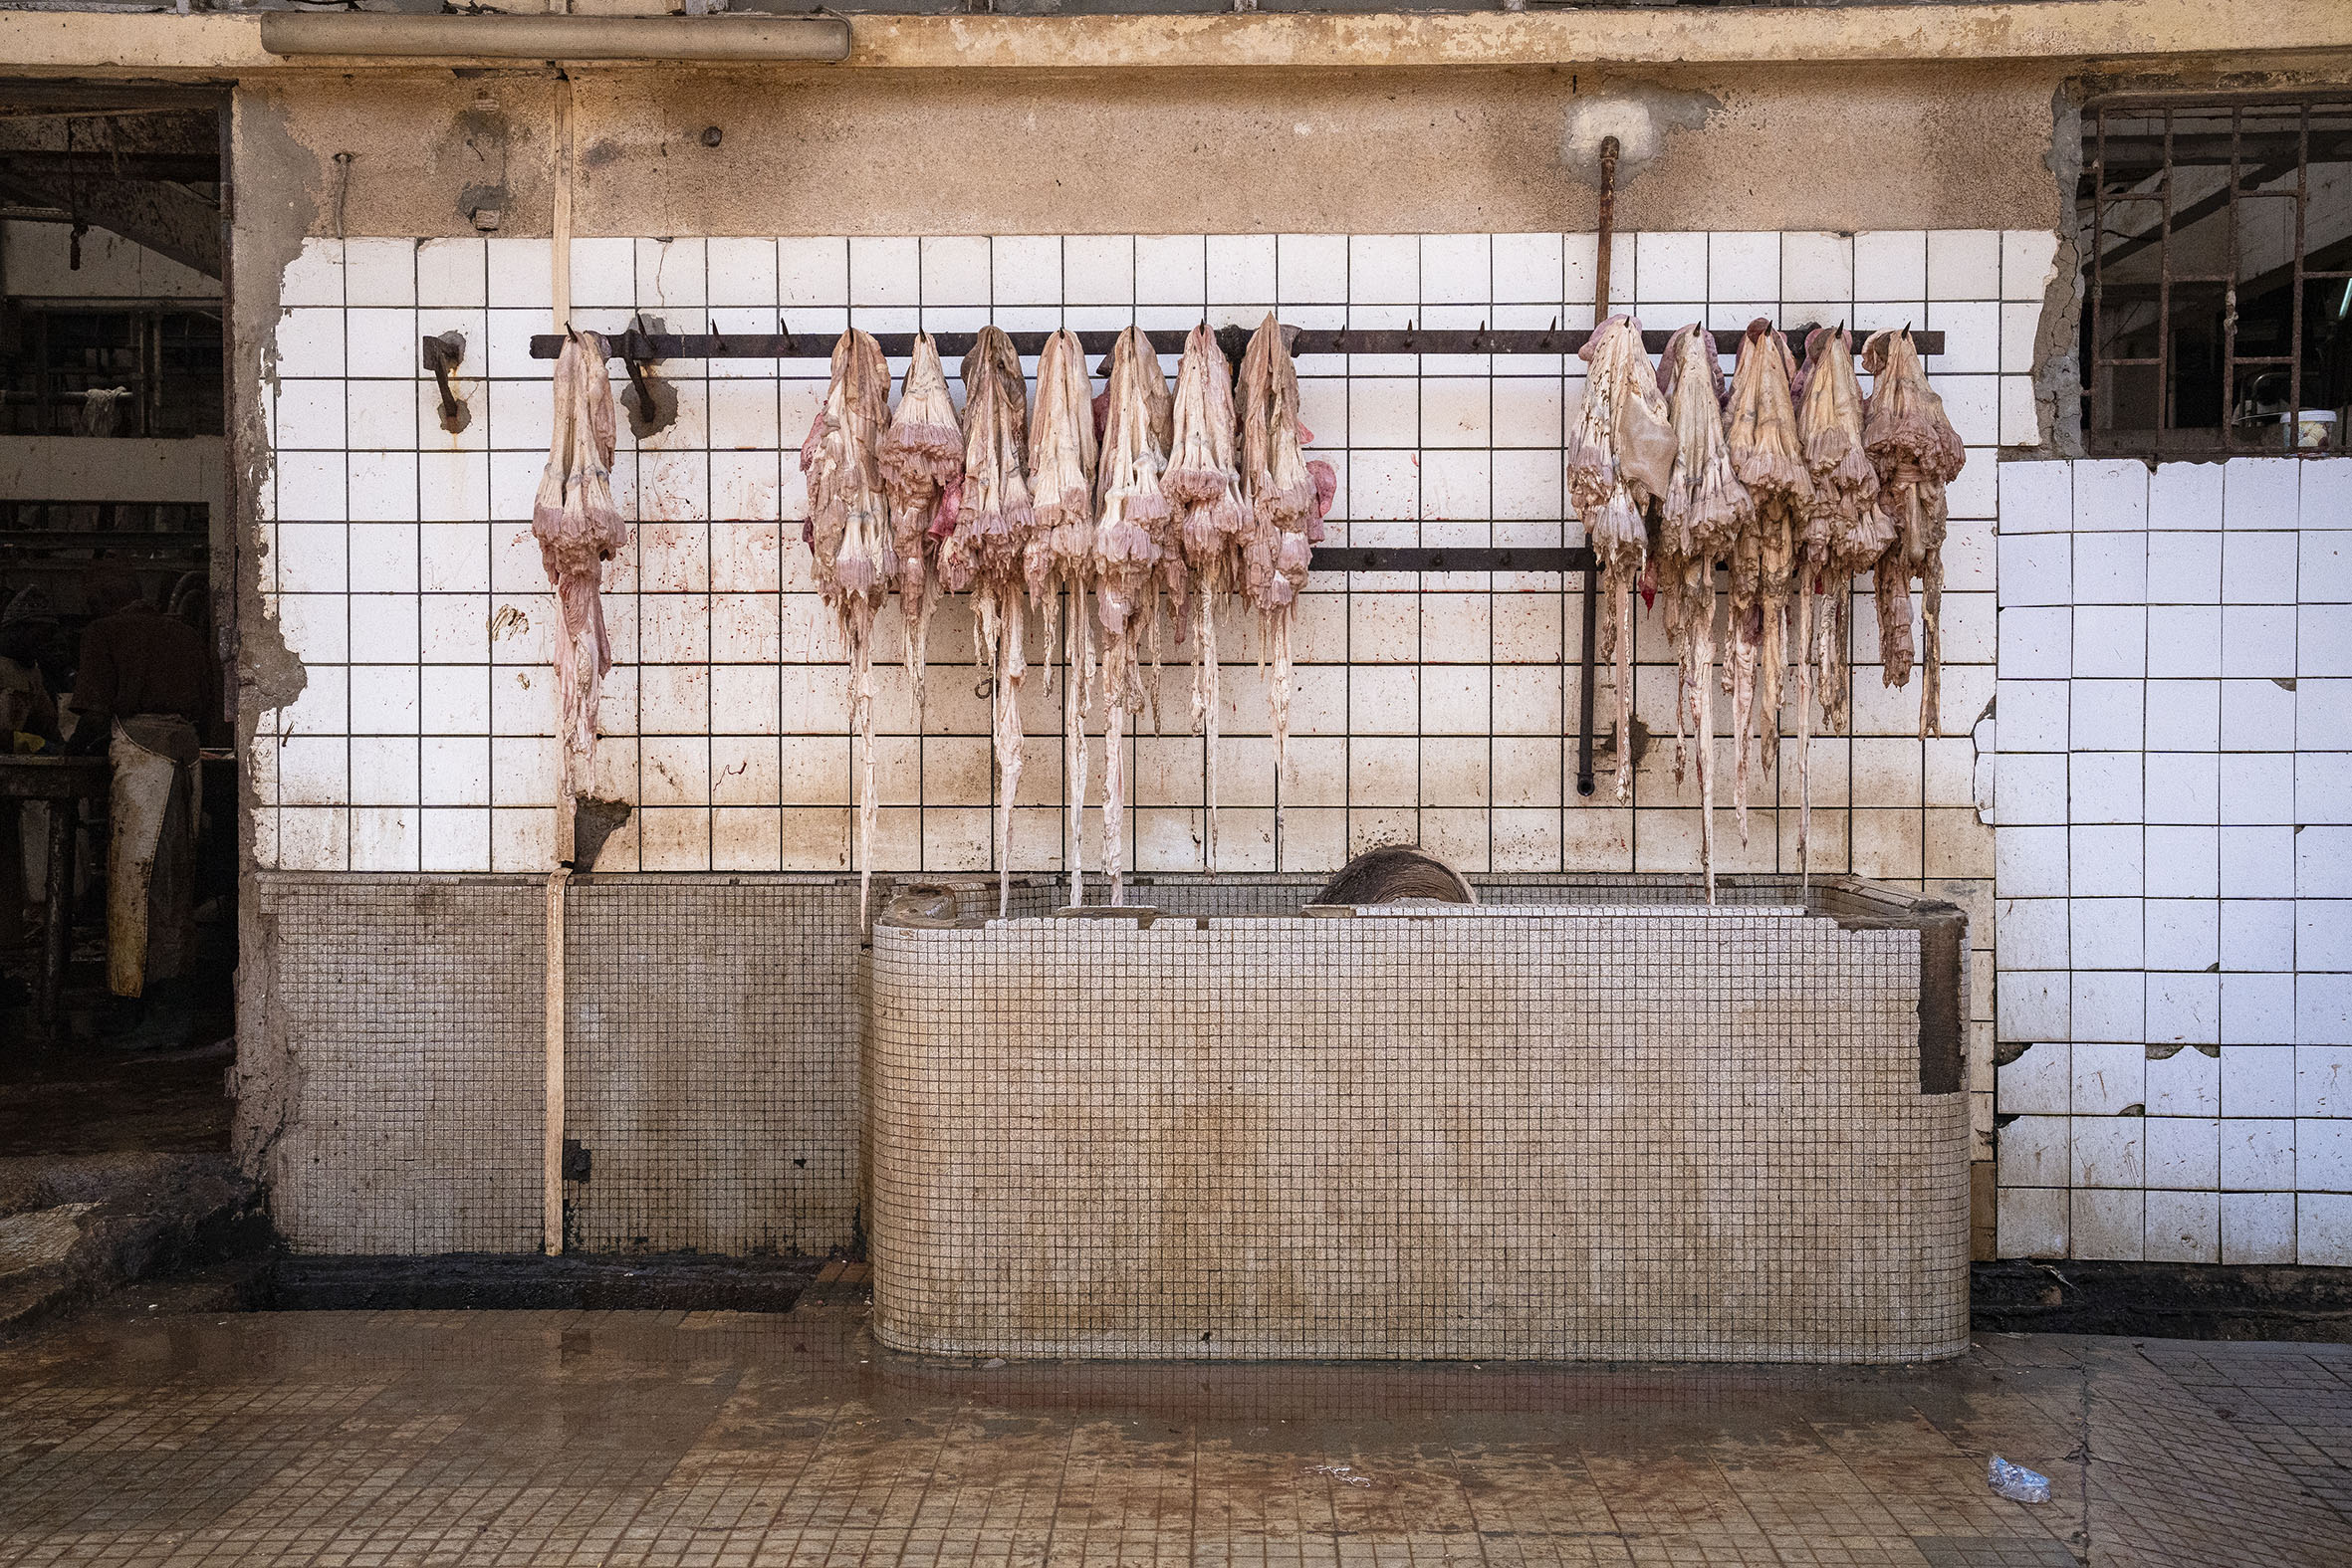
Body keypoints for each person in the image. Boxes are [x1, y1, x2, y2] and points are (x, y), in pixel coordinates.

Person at [68, 564, 216, 1000]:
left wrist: (70, 750)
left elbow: (95, 714)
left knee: (137, 883)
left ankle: (147, 1004)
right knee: (175, 880)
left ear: (99, 601)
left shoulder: (103, 632)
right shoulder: (186, 634)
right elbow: (209, 705)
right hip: (186, 753)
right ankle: (168, 1000)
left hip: (143, 759)